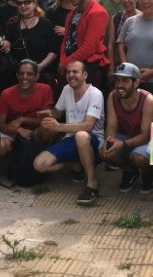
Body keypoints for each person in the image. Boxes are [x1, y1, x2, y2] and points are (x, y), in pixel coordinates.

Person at [34, 61, 105, 205]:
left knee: (81, 135)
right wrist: (50, 114)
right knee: (39, 165)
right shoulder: (67, 89)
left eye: (75, 72)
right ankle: (76, 164)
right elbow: (58, 112)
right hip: (70, 138)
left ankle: (92, 184)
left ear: (85, 75)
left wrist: (58, 127)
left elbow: (88, 126)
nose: (71, 75)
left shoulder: (95, 94)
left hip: (93, 140)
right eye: (68, 72)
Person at [100, 63, 153, 193]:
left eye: (125, 80)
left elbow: (146, 136)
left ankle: (148, 172)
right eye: (117, 80)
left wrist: (123, 144)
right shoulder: (112, 96)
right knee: (103, 151)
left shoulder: (148, 100)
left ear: (136, 83)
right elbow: (111, 127)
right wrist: (109, 141)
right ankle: (130, 171)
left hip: (149, 140)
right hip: (128, 137)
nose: (119, 85)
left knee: (139, 158)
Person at [58, 0, 110, 90]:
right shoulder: (73, 11)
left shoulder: (97, 13)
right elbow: (66, 40)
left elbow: (89, 47)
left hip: (88, 66)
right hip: (71, 65)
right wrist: (62, 60)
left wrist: (66, 63)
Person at [0, 59, 56, 157]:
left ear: (36, 76)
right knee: (1, 147)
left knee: (50, 129)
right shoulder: (6, 93)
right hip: (13, 132)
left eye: (29, 74)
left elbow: (45, 120)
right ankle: (15, 158)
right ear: (17, 75)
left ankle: (44, 157)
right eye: (21, 73)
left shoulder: (45, 89)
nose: (24, 77)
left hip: (36, 131)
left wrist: (22, 119)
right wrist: (19, 130)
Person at [5, 0, 59, 81]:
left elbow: (54, 50)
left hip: (42, 75)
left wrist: (41, 66)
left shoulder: (45, 24)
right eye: (19, 3)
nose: (23, 6)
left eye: (26, 2)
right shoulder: (13, 27)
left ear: (34, 4)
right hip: (21, 77)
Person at [106, 0, 139, 74]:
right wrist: (111, 68)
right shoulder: (116, 18)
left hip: (139, 63)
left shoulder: (144, 17)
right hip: (119, 65)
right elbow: (111, 45)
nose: (126, 1)